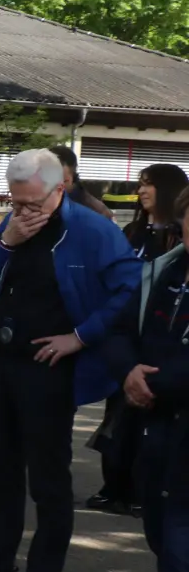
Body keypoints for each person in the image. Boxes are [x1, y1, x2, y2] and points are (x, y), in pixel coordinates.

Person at [0, 149, 139, 572]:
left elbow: (130, 291)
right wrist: (5, 239)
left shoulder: (93, 231)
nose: (24, 213)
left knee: (48, 482)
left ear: (59, 191)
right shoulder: (12, 226)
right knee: (0, 475)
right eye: (16, 202)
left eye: (33, 205)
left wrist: (80, 337)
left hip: (50, 372)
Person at [102, 186, 189, 572]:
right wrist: (129, 370)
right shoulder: (168, 271)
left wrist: (157, 382)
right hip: (155, 431)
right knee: (162, 539)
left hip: (179, 420)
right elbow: (118, 330)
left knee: (181, 548)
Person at [87, 163, 188, 515]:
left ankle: (137, 490)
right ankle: (114, 486)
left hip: (165, 356)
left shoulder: (175, 243)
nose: (142, 191)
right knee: (118, 420)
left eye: (149, 185)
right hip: (129, 343)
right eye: (140, 185)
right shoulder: (132, 232)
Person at [49, 145, 114, 220]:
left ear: (73, 176)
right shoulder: (37, 201)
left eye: (62, 181)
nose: (54, 186)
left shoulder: (96, 211)